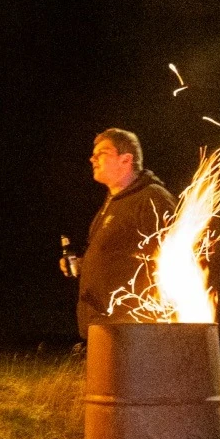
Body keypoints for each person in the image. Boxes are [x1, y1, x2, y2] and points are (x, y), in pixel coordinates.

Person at [71, 128, 177, 339]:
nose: (93, 158)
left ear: (126, 160)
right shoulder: (112, 202)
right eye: (94, 154)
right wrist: (82, 264)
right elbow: (118, 254)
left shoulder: (151, 199)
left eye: (103, 153)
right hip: (103, 325)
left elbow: (177, 257)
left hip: (133, 328)